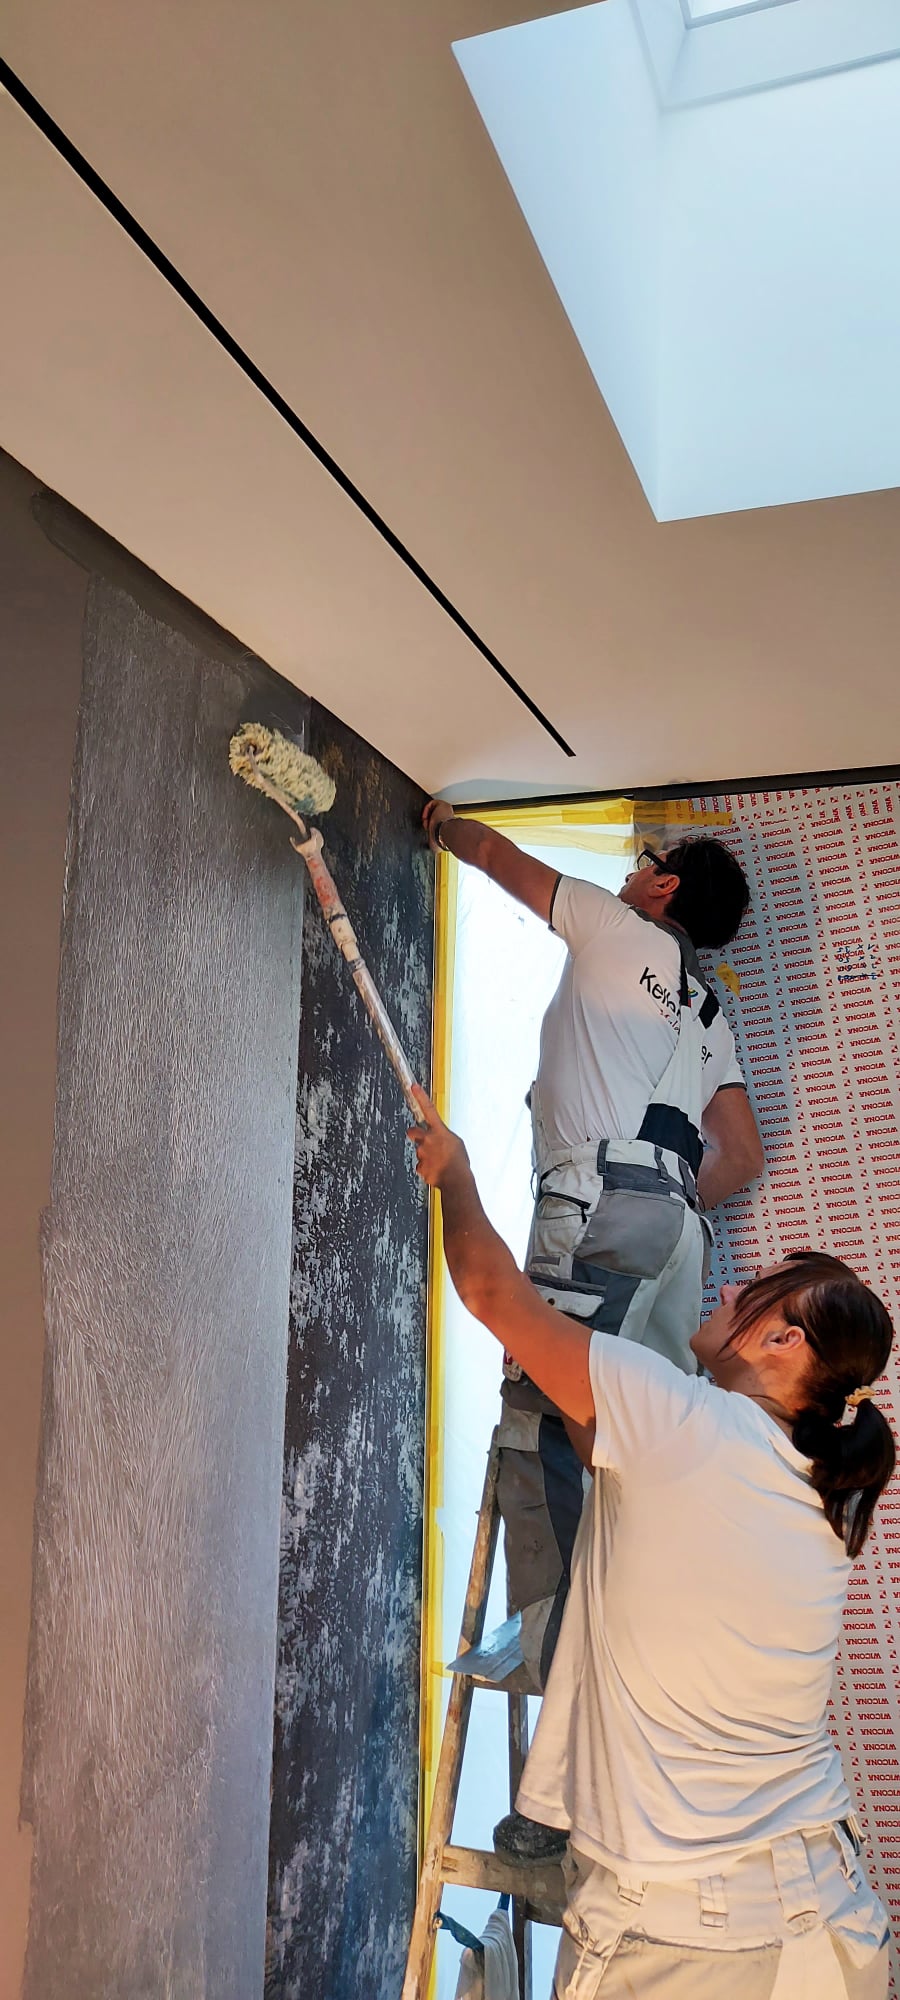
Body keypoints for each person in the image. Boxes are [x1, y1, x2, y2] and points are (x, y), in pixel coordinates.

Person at [408, 1088, 895, 2000]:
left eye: (752, 1294)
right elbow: (608, 1450)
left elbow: (484, 1287)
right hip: (833, 1933)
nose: (728, 1291)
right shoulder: (817, 1504)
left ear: (784, 1340)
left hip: (695, 1948)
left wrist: (457, 1173)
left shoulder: (679, 1419)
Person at [423, 803, 764, 1849]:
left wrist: (438, 818)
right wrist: (661, 1191)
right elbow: (738, 1157)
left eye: (644, 863)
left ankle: (561, 1798)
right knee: (638, 1473)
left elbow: (499, 857)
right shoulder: (708, 1007)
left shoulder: (621, 930)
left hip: (597, 1208)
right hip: (675, 1235)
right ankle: (645, 1747)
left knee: (554, 1455)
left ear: (663, 890)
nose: (632, 873)